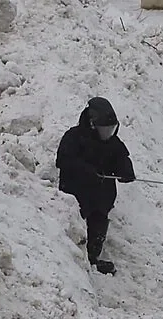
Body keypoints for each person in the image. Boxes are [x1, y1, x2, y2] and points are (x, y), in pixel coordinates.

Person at [55, 97, 135, 275]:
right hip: (77, 195)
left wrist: (126, 171)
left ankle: (92, 258)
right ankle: (71, 257)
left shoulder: (113, 143)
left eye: (111, 130)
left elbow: (121, 159)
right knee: (76, 226)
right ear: (91, 124)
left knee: (98, 226)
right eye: (104, 130)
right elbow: (63, 160)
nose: (108, 134)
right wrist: (85, 170)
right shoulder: (74, 137)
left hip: (101, 200)